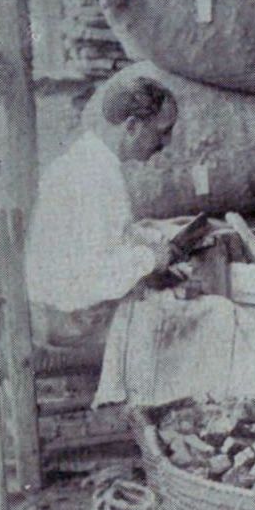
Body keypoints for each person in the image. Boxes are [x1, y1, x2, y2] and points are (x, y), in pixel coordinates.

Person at [25, 76, 179, 349]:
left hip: (72, 307)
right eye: (162, 131)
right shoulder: (90, 177)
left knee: (181, 303)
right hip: (70, 319)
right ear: (132, 126)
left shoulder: (93, 162)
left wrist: (149, 238)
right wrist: (150, 258)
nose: (166, 142)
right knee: (200, 319)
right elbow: (92, 274)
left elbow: (109, 236)